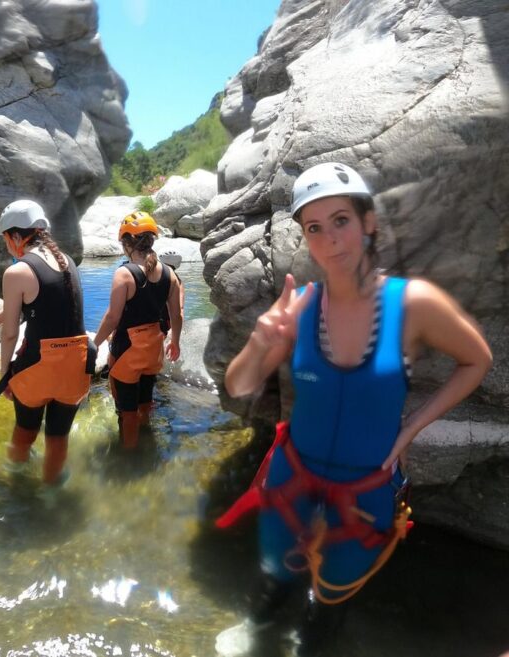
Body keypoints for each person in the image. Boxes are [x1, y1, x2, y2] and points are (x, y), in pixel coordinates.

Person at [218, 162, 492, 655]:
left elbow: (477, 360)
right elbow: (238, 385)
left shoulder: (414, 304)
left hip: (366, 487)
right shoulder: (300, 307)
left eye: (341, 220)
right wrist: (261, 341)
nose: (329, 240)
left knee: (336, 590)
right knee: (279, 565)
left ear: (369, 222)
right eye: (314, 228)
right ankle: (260, 629)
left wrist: (412, 427)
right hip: (292, 475)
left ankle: (312, 642)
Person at [0, 200, 93, 488]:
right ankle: (52, 493)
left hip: (38, 367)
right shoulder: (67, 262)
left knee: (25, 429)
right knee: (58, 436)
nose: (6, 246)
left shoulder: (16, 272)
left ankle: (14, 481)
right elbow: (50, 302)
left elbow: (10, 334)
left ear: (15, 236)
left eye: (5, 240)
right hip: (77, 366)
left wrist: (4, 376)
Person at [93, 212, 182, 449]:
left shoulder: (124, 273)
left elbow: (113, 317)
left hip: (128, 351)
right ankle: (147, 438)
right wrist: (176, 342)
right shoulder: (169, 274)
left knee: (127, 411)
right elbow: (176, 315)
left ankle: (129, 458)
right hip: (154, 347)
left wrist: (95, 344)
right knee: (145, 401)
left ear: (127, 242)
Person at [157, 248, 185, 335]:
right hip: (166, 322)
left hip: (152, 322)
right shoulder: (177, 281)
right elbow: (180, 308)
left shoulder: (152, 276)